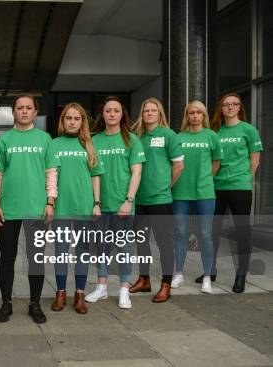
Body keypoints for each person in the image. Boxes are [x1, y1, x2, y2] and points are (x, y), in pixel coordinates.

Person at [0, 94, 58, 324]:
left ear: (35, 112)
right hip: (8, 209)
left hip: (37, 208)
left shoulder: (45, 139)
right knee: (7, 257)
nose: (25, 111)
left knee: (36, 258)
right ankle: (6, 302)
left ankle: (35, 303)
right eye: (20, 108)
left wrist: (50, 203)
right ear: (14, 112)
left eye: (29, 107)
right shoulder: (4, 140)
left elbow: (51, 174)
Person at [85, 96, 145, 309]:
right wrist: (96, 202)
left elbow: (136, 172)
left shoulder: (131, 140)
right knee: (100, 247)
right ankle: (101, 287)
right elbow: (94, 175)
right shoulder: (95, 141)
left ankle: (123, 290)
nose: (112, 114)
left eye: (116, 111)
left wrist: (128, 200)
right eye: (108, 110)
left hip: (123, 205)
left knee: (123, 247)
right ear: (103, 114)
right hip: (102, 205)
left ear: (122, 114)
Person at [50, 102, 104, 314]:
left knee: (83, 252)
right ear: (63, 121)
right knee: (61, 252)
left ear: (82, 122)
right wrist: (50, 204)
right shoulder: (53, 144)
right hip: (61, 207)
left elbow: (96, 177)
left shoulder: (89, 145)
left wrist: (97, 203)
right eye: (68, 118)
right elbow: (50, 176)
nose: (72, 122)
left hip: (84, 207)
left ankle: (80, 293)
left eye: (76, 118)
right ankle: (61, 292)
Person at [129, 98, 184, 302]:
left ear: (160, 113)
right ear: (142, 114)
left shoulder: (169, 135)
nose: (150, 113)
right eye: (146, 110)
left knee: (164, 244)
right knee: (141, 242)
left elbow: (179, 166)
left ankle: (166, 284)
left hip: (161, 200)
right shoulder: (136, 137)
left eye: (153, 110)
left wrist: (165, 186)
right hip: (139, 200)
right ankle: (144, 280)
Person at [210, 93, 262, 293]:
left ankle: (241, 273)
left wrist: (244, 178)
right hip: (216, 187)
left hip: (239, 187)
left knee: (242, 231)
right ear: (221, 108)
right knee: (212, 231)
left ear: (240, 108)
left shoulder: (249, 130)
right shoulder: (216, 131)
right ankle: (210, 269)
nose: (230, 107)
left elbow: (255, 160)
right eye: (226, 104)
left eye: (234, 104)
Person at [171, 100, 223, 294]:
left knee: (205, 234)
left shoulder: (212, 136)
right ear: (187, 116)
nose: (194, 116)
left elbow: (216, 164)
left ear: (203, 116)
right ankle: (178, 273)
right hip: (181, 193)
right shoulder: (178, 137)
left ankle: (207, 277)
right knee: (181, 233)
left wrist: (204, 178)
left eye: (198, 113)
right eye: (191, 113)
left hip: (205, 193)